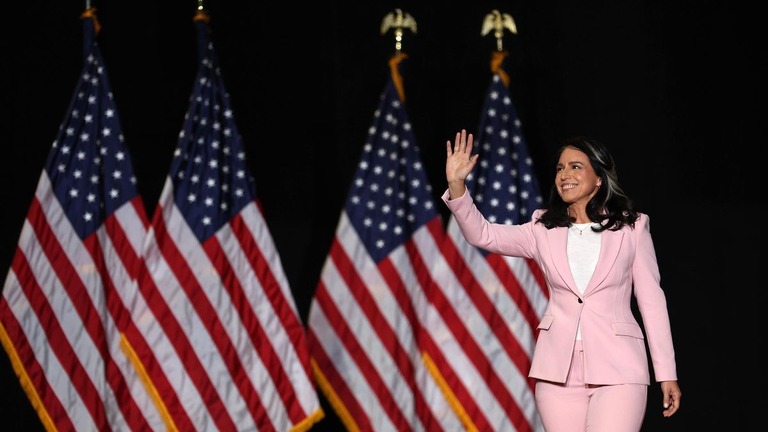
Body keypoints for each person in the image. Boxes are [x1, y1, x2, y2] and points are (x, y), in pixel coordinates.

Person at [442, 130, 681, 431]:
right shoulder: (542, 229)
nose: (564, 174)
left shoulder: (632, 228)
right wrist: (457, 185)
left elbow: (652, 302)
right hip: (557, 374)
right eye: (559, 168)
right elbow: (483, 233)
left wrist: (666, 373)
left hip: (619, 370)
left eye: (575, 166)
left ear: (599, 178)